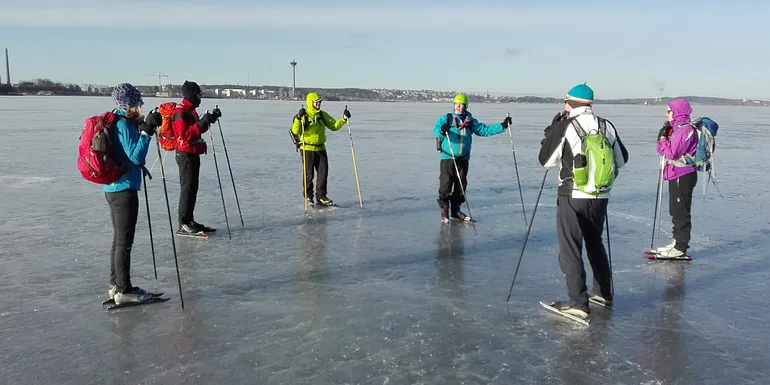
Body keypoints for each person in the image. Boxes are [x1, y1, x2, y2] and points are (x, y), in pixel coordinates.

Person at [538, 83, 629, 320]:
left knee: (570, 248)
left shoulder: (566, 125)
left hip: (572, 194)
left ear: (570, 103)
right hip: (600, 196)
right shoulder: (605, 125)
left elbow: (545, 160)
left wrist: (551, 134)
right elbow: (622, 159)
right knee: (594, 243)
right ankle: (603, 293)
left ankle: (579, 302)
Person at [105, 83, 163, 304]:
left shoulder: (117, 120)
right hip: (123, 190)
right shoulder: (123, 125)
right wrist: (147, 132)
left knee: (118, 240)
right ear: (129, 104)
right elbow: (135, 157)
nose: (140, 105)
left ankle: (116, 285)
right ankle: (123, 290)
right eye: (138, 102)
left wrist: (142, 125)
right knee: (123, 243)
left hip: (113, 188)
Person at [433, 93, 511, 222]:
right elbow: (436, 130)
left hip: (463, 158)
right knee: (445, 184)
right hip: (448, 157)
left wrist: (502, 126)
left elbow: (484, 130)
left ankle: (456, 210)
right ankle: (444, 209)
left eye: (461, 104)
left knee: (461, 185)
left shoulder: (469, 121)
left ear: (465, 106)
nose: (459, 107)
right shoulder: (446, 119)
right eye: (457, 104)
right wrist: (442, 130)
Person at [172, 80, 222, 235]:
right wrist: (202, 122)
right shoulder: (180, 112)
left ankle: (189, 219)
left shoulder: (190, 110)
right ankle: (184, 222)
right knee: (187, 188)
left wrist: (208, 120)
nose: (200, 97)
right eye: (198, 94)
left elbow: (197, 130)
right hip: (185, 154)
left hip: (192, 152)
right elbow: (184, 135)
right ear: (192, 95)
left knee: (192, 188)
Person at [654, 98, 698, 258]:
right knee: (675, 209)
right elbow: (662, 150)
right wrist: (662, 139)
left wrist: (664, 141)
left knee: (681, 211)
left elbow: (672, 153)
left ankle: (681, 246)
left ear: (677, 112)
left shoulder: (685, 130)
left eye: (669, 111)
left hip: (683, 175)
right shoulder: (676, 128)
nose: (667, 114)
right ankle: (677, 241)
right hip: (675, 173)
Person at [290, 92, 350, 207]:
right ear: (310, 103)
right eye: (316, 102)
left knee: (323, 173)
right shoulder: (304, 115)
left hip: (321, 148)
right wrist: (298, 117)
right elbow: (295, 131)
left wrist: (344, 118)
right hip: (307, 148)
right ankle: (308, 196)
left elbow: (334, 126)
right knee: (309, 175)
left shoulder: (322, 115)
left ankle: (321, 196)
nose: (318, 104)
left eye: (319, 102)